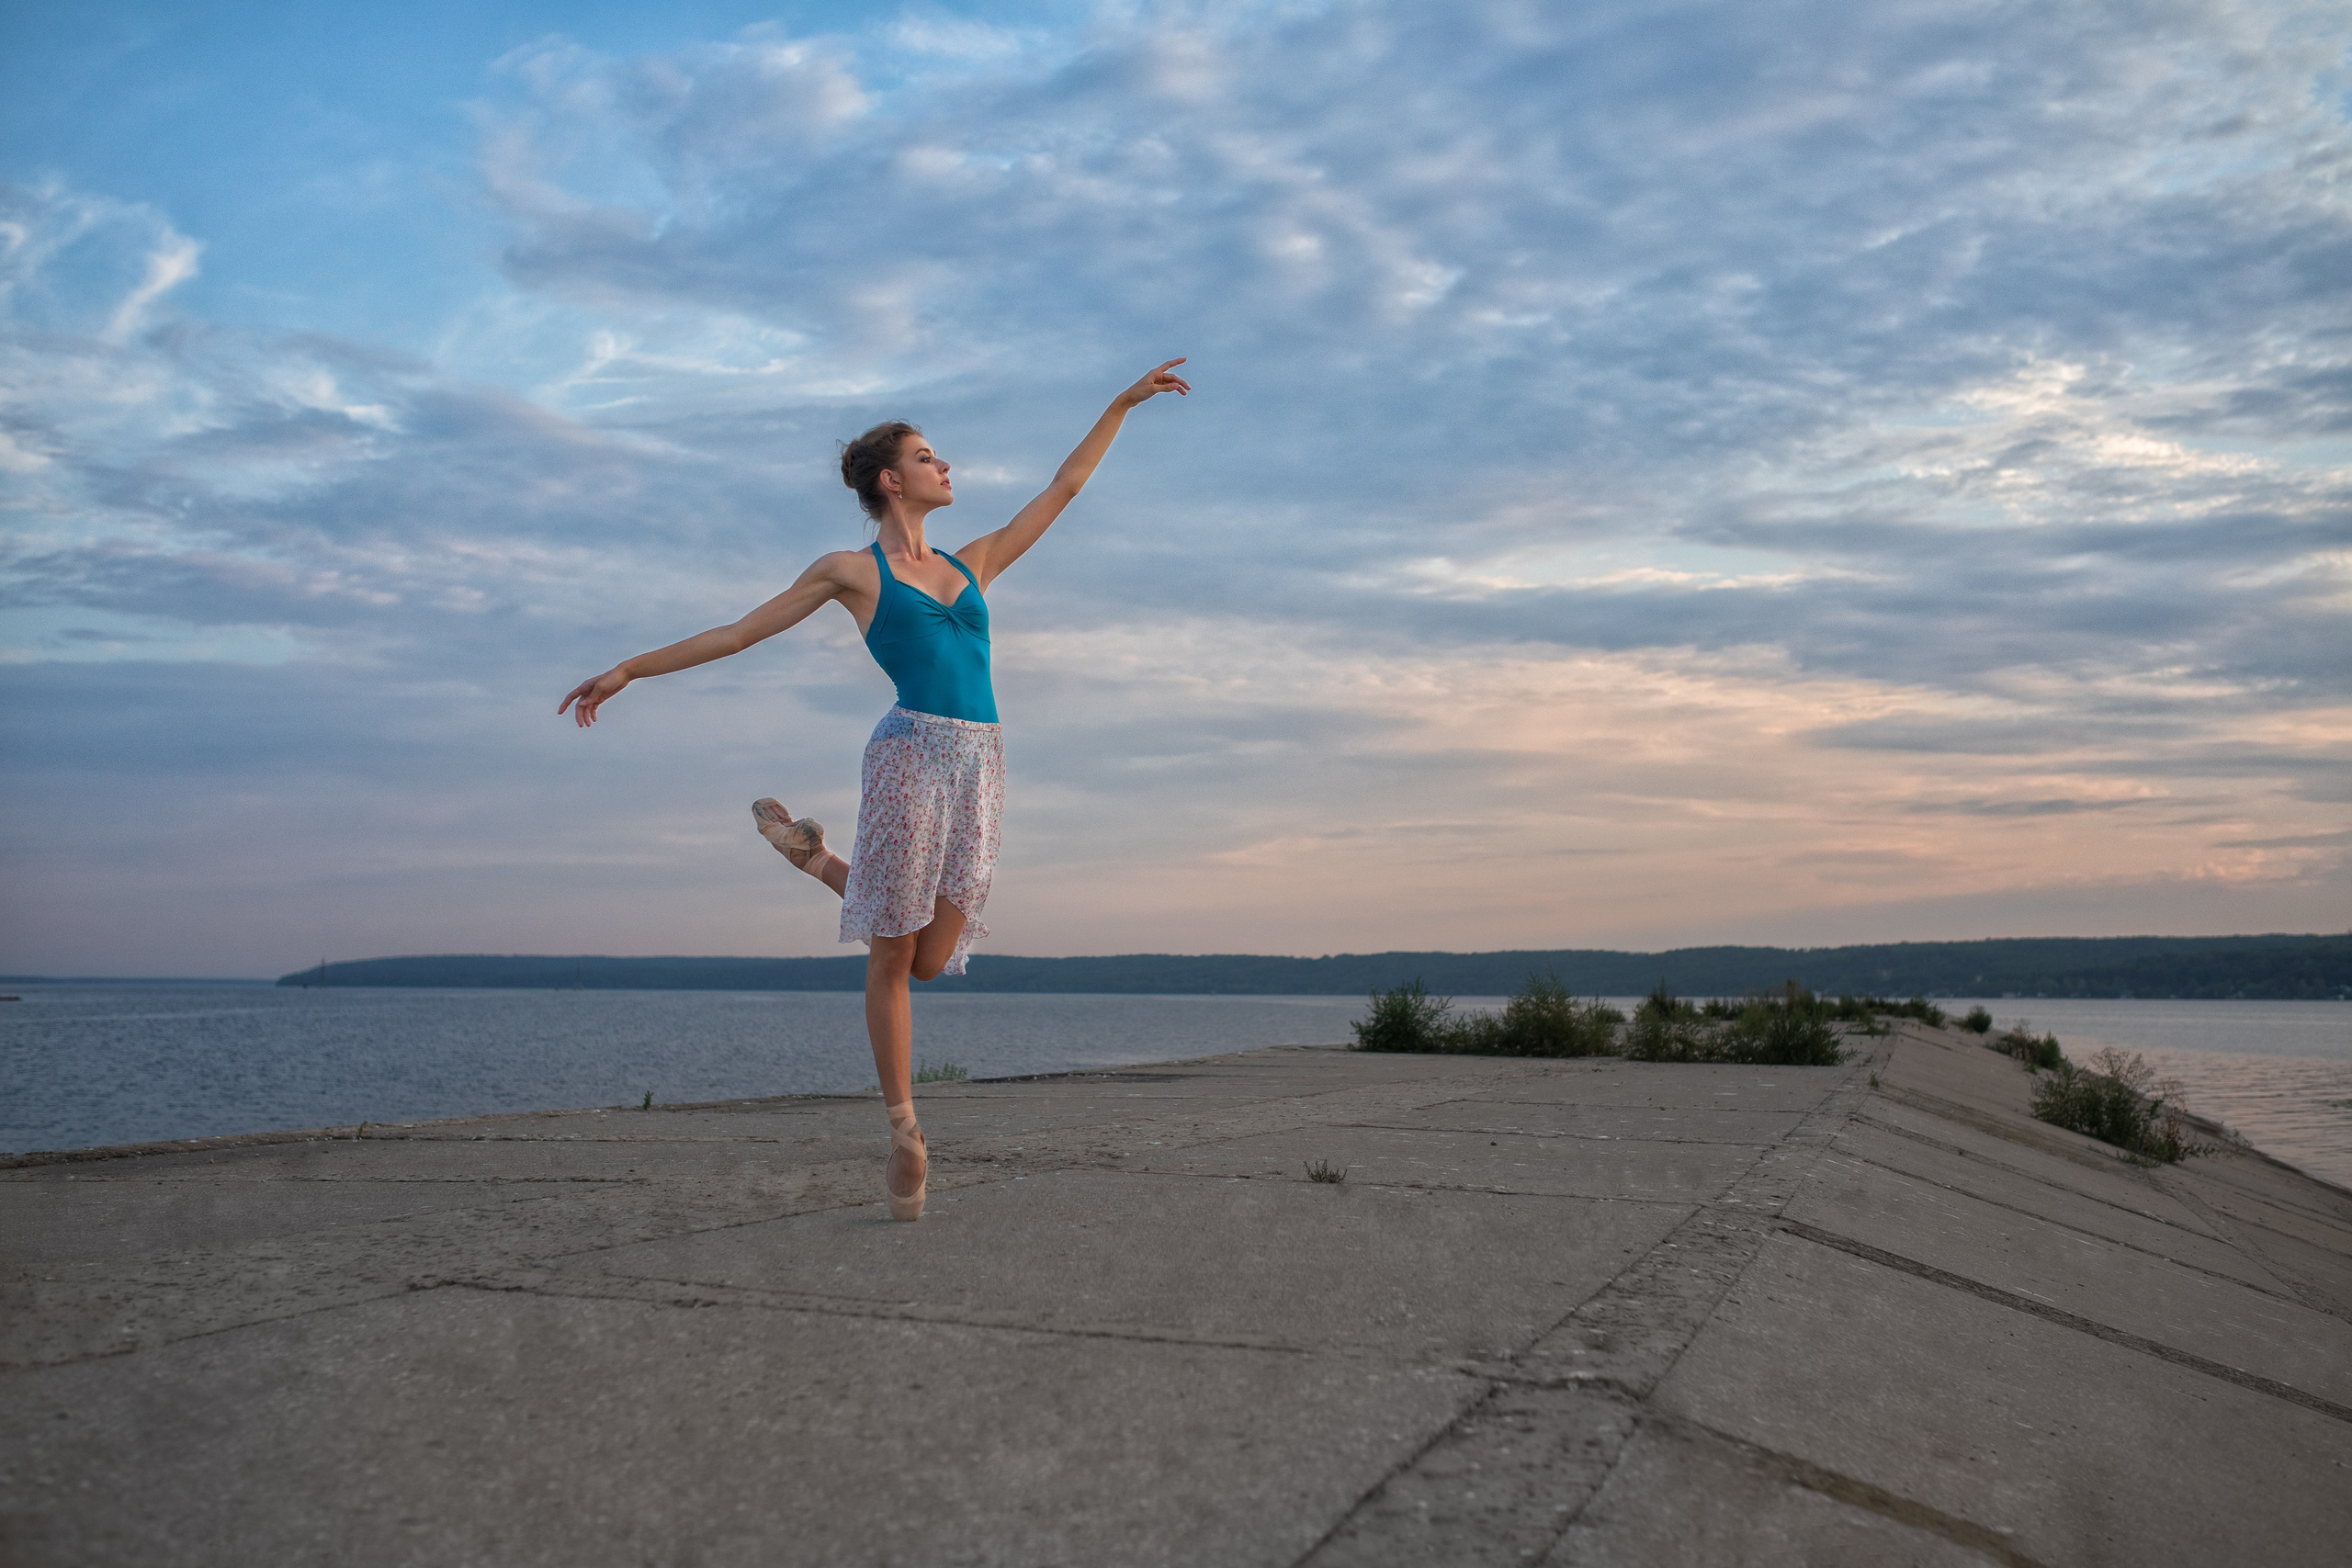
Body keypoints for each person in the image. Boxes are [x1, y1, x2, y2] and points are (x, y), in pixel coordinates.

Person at [560, 360, 1193, 1220]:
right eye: (928, 457)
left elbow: (1064, 487)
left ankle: (813, 858)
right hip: (909, 758)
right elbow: (740, 632)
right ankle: (905, 1134)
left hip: (982, 766)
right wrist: (629, 669)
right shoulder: (852, 572)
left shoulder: (974, 563)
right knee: (892, 954)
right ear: (892, 480)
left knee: (929, 958)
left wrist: (1120, 403)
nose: (946, 466)